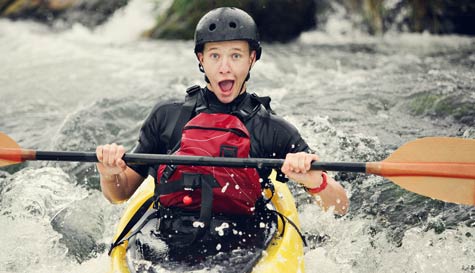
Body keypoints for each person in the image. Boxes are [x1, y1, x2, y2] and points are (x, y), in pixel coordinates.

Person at [97, 6, 348, 267]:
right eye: (215, 55)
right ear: (201, 58)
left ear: (252, 59)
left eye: (235, 56)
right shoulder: (167, 117)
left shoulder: (271, 129)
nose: (225, 68)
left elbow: (339, 206)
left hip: (243, 239)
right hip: (168, 236)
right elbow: (120, 194)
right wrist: (109, 172)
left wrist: (313, 180)